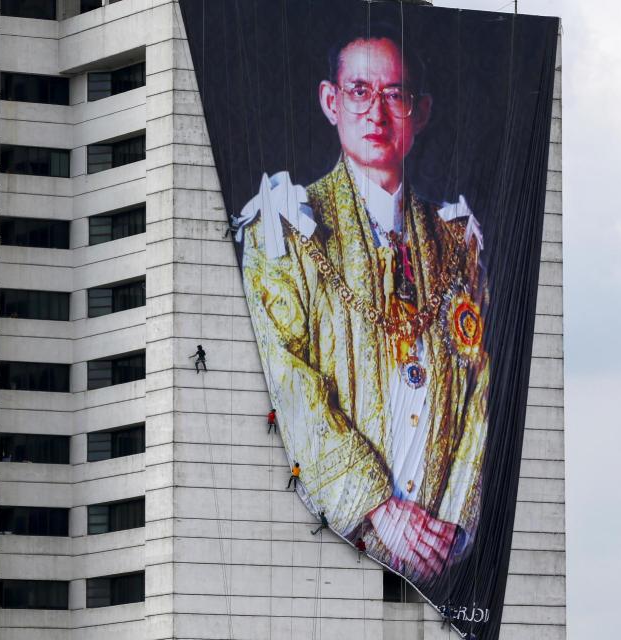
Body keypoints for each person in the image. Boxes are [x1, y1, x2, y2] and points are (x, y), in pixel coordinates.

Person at [238, 26, 489, 582]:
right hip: (334, 546)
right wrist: (376, 506)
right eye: (359, 92)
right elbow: (286, 381)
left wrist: (448, 533)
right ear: (331, 101)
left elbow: (480, 397)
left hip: (440, 557)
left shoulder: (457, 243)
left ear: (420, 111)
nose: (376, 113)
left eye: (394, 95)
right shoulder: (283, 230)